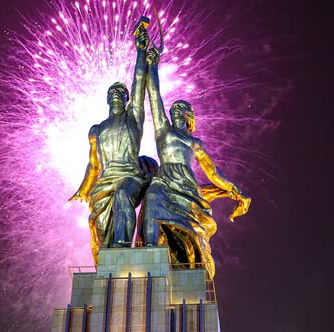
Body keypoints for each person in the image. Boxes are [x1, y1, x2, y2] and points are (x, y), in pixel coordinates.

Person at [142, 47, 251, 279]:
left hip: (188, 187)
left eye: (183, 109)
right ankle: (149, 252)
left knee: (189, 234)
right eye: (175, 109)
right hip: (165, 180)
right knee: (152, 196)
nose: (177, 111)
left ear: (190, 116)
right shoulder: (164, 131)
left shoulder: (195, 142)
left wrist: (233, 188)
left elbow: (213, 172)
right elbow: (154, 96)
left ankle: (186, 259)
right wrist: (152, 64)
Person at [69, 26, 150, 265]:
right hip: (104, 182)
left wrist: (141, 52)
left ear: (127, 98)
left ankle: (122, 249)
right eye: (112, 91)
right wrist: (83, 189)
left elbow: (138, 83)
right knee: (100, 225)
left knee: (123, 196)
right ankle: (109, 260)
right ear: (107, 98)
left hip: (130, 177)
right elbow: (93, 164)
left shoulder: (133, 118)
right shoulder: (96, 130)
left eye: (121, 91)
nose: (117, 93)